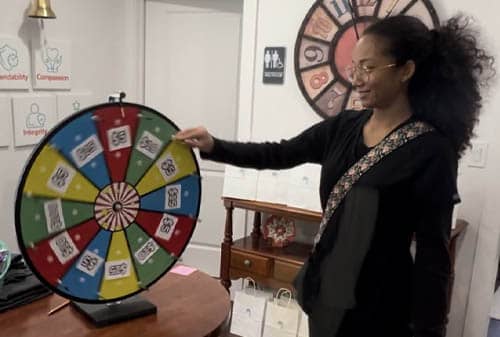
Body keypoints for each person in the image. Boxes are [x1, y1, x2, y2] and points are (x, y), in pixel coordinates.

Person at [174, 14, 494, 337]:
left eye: (368, 68)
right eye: (354, 67)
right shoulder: (344, 127)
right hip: (326, 295)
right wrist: (215, 145)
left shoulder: (431, 150)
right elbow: (279, 153)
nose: (357, 78)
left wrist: (430, 330)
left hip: (381, 309)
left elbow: (433, 257)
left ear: (406, 71)